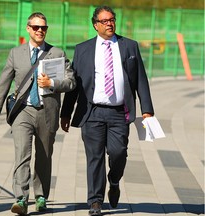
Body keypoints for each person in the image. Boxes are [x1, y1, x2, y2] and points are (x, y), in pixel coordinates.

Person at [60, 5, 154, 216]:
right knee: (95, 157)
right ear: (95, 25)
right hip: (91, 112)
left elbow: (140, 79)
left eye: (112, 19)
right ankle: (95, 202)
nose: (109, 23)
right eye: (104, 21)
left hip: (119, 112)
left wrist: (147, 109)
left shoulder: (129, 46)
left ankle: (114, 180)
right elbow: (75, 83)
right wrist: (66, 113)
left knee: (119, 153)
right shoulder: (83, 49)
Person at [0, 12, 76, 215]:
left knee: (44, 156)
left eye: (43, 28)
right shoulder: (15, 53)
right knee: (22, 154)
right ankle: (21, 198)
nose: (40, 31)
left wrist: (52, 83)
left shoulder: (57, 53)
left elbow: (71, 82)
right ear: (28, 28)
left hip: (48, 111)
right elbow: (3, 84)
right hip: (23, 111)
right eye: (36, 27)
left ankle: (41, 196)